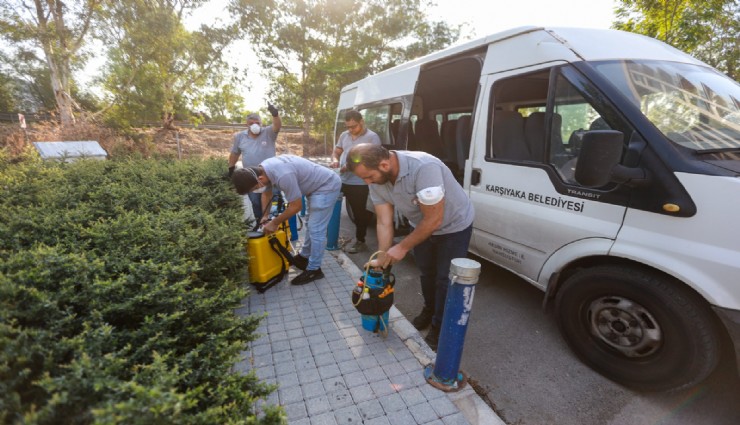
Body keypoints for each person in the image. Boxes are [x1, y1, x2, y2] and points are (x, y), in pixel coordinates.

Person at [346, 144, 474, 350]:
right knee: (426, 272)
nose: (367, 182)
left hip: (453, 226)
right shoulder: (376, 177)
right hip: (420, 225)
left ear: (385, 164)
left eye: (368, 177)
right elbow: (384, 221)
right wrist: (384, 254)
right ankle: (429, 309)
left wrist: (402, 247)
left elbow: (434, 220)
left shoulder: (424, 167)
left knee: (445, 279)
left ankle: (439, 326)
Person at [232, 155, 341, 286]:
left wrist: (274, 223)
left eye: (255, 188)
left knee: (316, 228)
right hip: (315, 186)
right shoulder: (263, 169)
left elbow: (296, 206)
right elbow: (266, 193)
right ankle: (304, 257)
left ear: (260, 179)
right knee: (310, 224)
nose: (256, 191)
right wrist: (265, 216)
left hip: (326, 186)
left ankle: (314, 269)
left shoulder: (283, 175)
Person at [331, 110, 382, 254]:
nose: (350, 130)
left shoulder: (372, 137)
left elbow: (375, 159)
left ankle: (361, 241)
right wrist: (335, 160)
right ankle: (329, 235)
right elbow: (337, 151)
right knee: (329, 202)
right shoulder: (344, 135)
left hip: (359, 183)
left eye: (353, 126)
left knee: (360, 214)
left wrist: (352, 165)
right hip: (341, 178)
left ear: (361, 122)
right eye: (348, 127)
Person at [228, 103, 281, 219]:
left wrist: (275, 114)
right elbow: (235, 153)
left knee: (270, 202)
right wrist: (231, 169)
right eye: (251, 123)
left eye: (257, 123)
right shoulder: (240, 137)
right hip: (250, 176)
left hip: (269, 175)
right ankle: (260, 223)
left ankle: (271, 222)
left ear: (261, 123)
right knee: (256, 202)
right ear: (246, 124)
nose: (255, 125)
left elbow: (277, 126)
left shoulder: (268, 133)